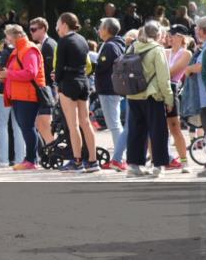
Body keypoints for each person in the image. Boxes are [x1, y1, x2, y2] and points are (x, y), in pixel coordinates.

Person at [125, 22, 174, 178]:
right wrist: (169, 99)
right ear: (158, 34)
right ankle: (158, 166)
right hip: (152, 96)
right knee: (158, 131)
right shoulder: (157, 50)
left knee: (136, 131)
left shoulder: (132, 47)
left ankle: (133, 166)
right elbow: (163, 78)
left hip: (133, 95)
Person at [54, 13, 98, 172]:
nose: (58, 30)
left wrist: (56, 81)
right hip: (83, 81)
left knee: (73, 125)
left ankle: (77, 161)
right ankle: (93, 161)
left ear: (64, 24)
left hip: (68, 82)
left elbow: (59, 67)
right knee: (86, 122)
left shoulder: (64, 41)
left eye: (58, 26)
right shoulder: (82, 40)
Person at [0, 24, 44, 171]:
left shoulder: (28, 49)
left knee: (28, 128)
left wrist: (8, 74)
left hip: (28, 95)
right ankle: (30, 159)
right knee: (26, 128)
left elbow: (31, 73)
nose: (7, 39)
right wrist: (4, 76)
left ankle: (32, 160)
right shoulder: (18, 50)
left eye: (8, 36)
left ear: (16, 35)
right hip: (19, 95)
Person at [185, 17, 206, 174]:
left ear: (203, 31)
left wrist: (189, 69)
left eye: (197, 29)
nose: (196, 32)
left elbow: (201, 66)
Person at [95, 18, 128, 172]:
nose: (99, 30)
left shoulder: (109, 46)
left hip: (108, 89)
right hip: (114, 89)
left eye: (101, 27)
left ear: (107, 29)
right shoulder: (119, 44)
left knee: (114, 125)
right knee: (116, 124)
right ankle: (120, 156)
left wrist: (93, 65)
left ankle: (120, 158)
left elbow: (101, 66)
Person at [0, 29, 25, 168]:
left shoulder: (6, 52)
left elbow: (0, 73)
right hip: (19, 91)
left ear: (11, 36)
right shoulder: (25, 50)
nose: (5, 38)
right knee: (17, 126)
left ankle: (4, 159)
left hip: (4, 92)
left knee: (2, 125)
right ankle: (19, 158)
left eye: (7, 35)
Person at [164, 25, 193, 172]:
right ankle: (161, 161)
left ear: (181, 37)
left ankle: (184, 161)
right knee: (157, 127)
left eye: (173, 35)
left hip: (172, 87)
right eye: (169, 35)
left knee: (174, 126)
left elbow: (172, 72)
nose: (169, 37)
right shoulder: (164, 51)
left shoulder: (186, 53)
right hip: (161, 88)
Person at [29, 18, 57, 147]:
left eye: (34, 29)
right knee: (42, 123)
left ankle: (51, 149)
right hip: (45, 89)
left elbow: (52, 69)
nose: (31, 32)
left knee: (45, 123)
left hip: (47, 90)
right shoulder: (45, 45)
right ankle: (48, 149)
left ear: (43, 29)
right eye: (30, 29)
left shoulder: (49, 45)